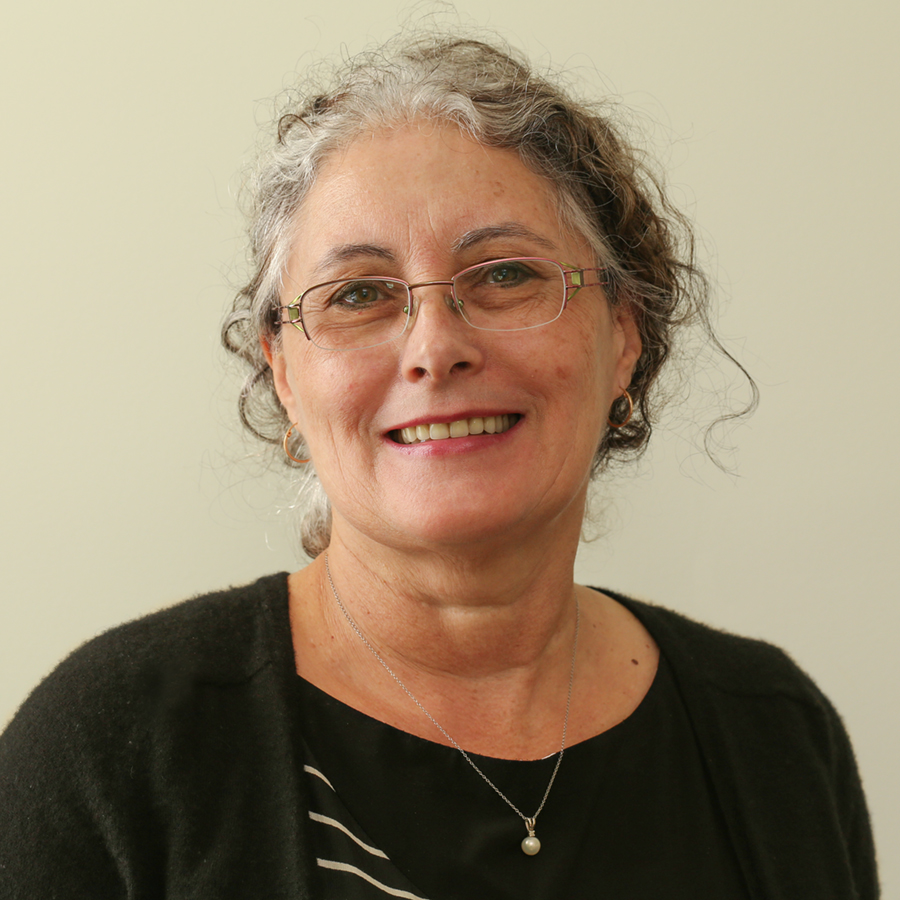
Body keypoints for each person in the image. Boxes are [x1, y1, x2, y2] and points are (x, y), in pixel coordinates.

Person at [0, 32, 878, 900]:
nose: (434, 348)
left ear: (624, 335)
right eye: (358, 294)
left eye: (505, 275)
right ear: (285, 375)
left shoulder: (774, 732)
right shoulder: (109, 745)